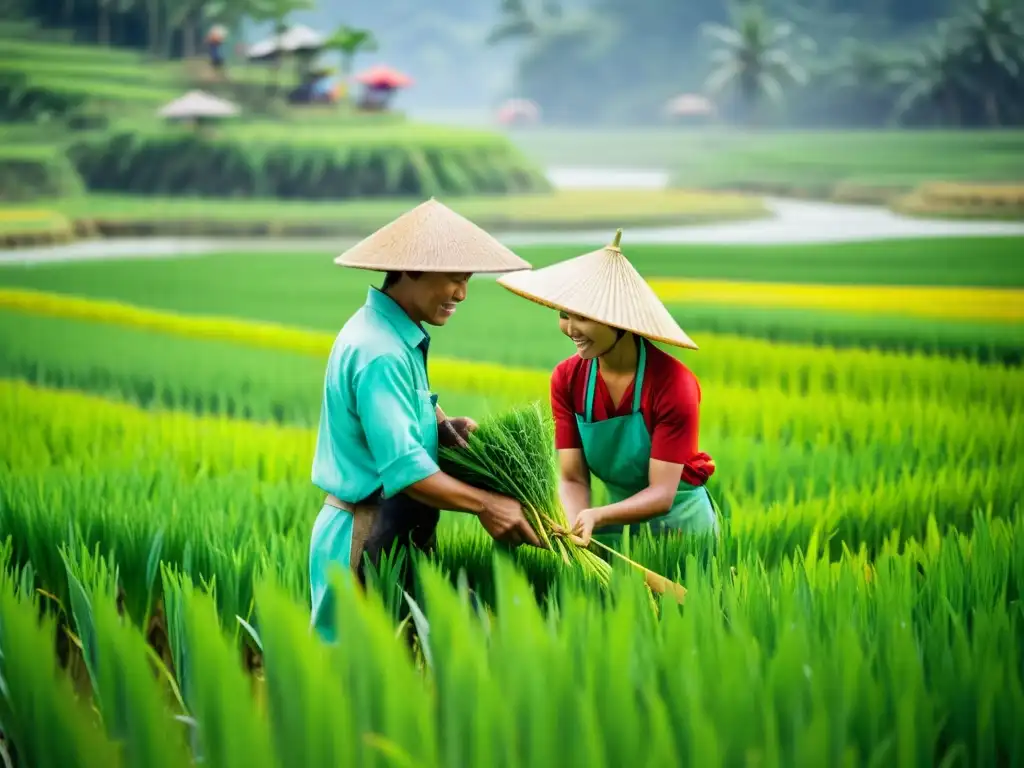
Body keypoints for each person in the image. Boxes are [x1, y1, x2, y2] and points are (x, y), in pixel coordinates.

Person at [309, 198, 543, 642]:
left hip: (395, 532)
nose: (462, 293)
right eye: (455, 278)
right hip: (366, 537)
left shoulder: (395, 336)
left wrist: (441, 425)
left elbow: (403, 419)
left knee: (432, 663)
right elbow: (405, 470)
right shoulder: (379, 350)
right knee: (362, 683)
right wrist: (489, 505)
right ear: (412, 268)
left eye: (468, 280)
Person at [497, 228, 720, 550]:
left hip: (681, 529)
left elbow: (661, 494)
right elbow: (572, 478)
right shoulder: (568, 379)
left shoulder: (673, 384)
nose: (570, 329)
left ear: (620, 321)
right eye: (563, 315)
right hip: (618, 530)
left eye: (583, 318)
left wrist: (597, 516)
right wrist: (574, 527)